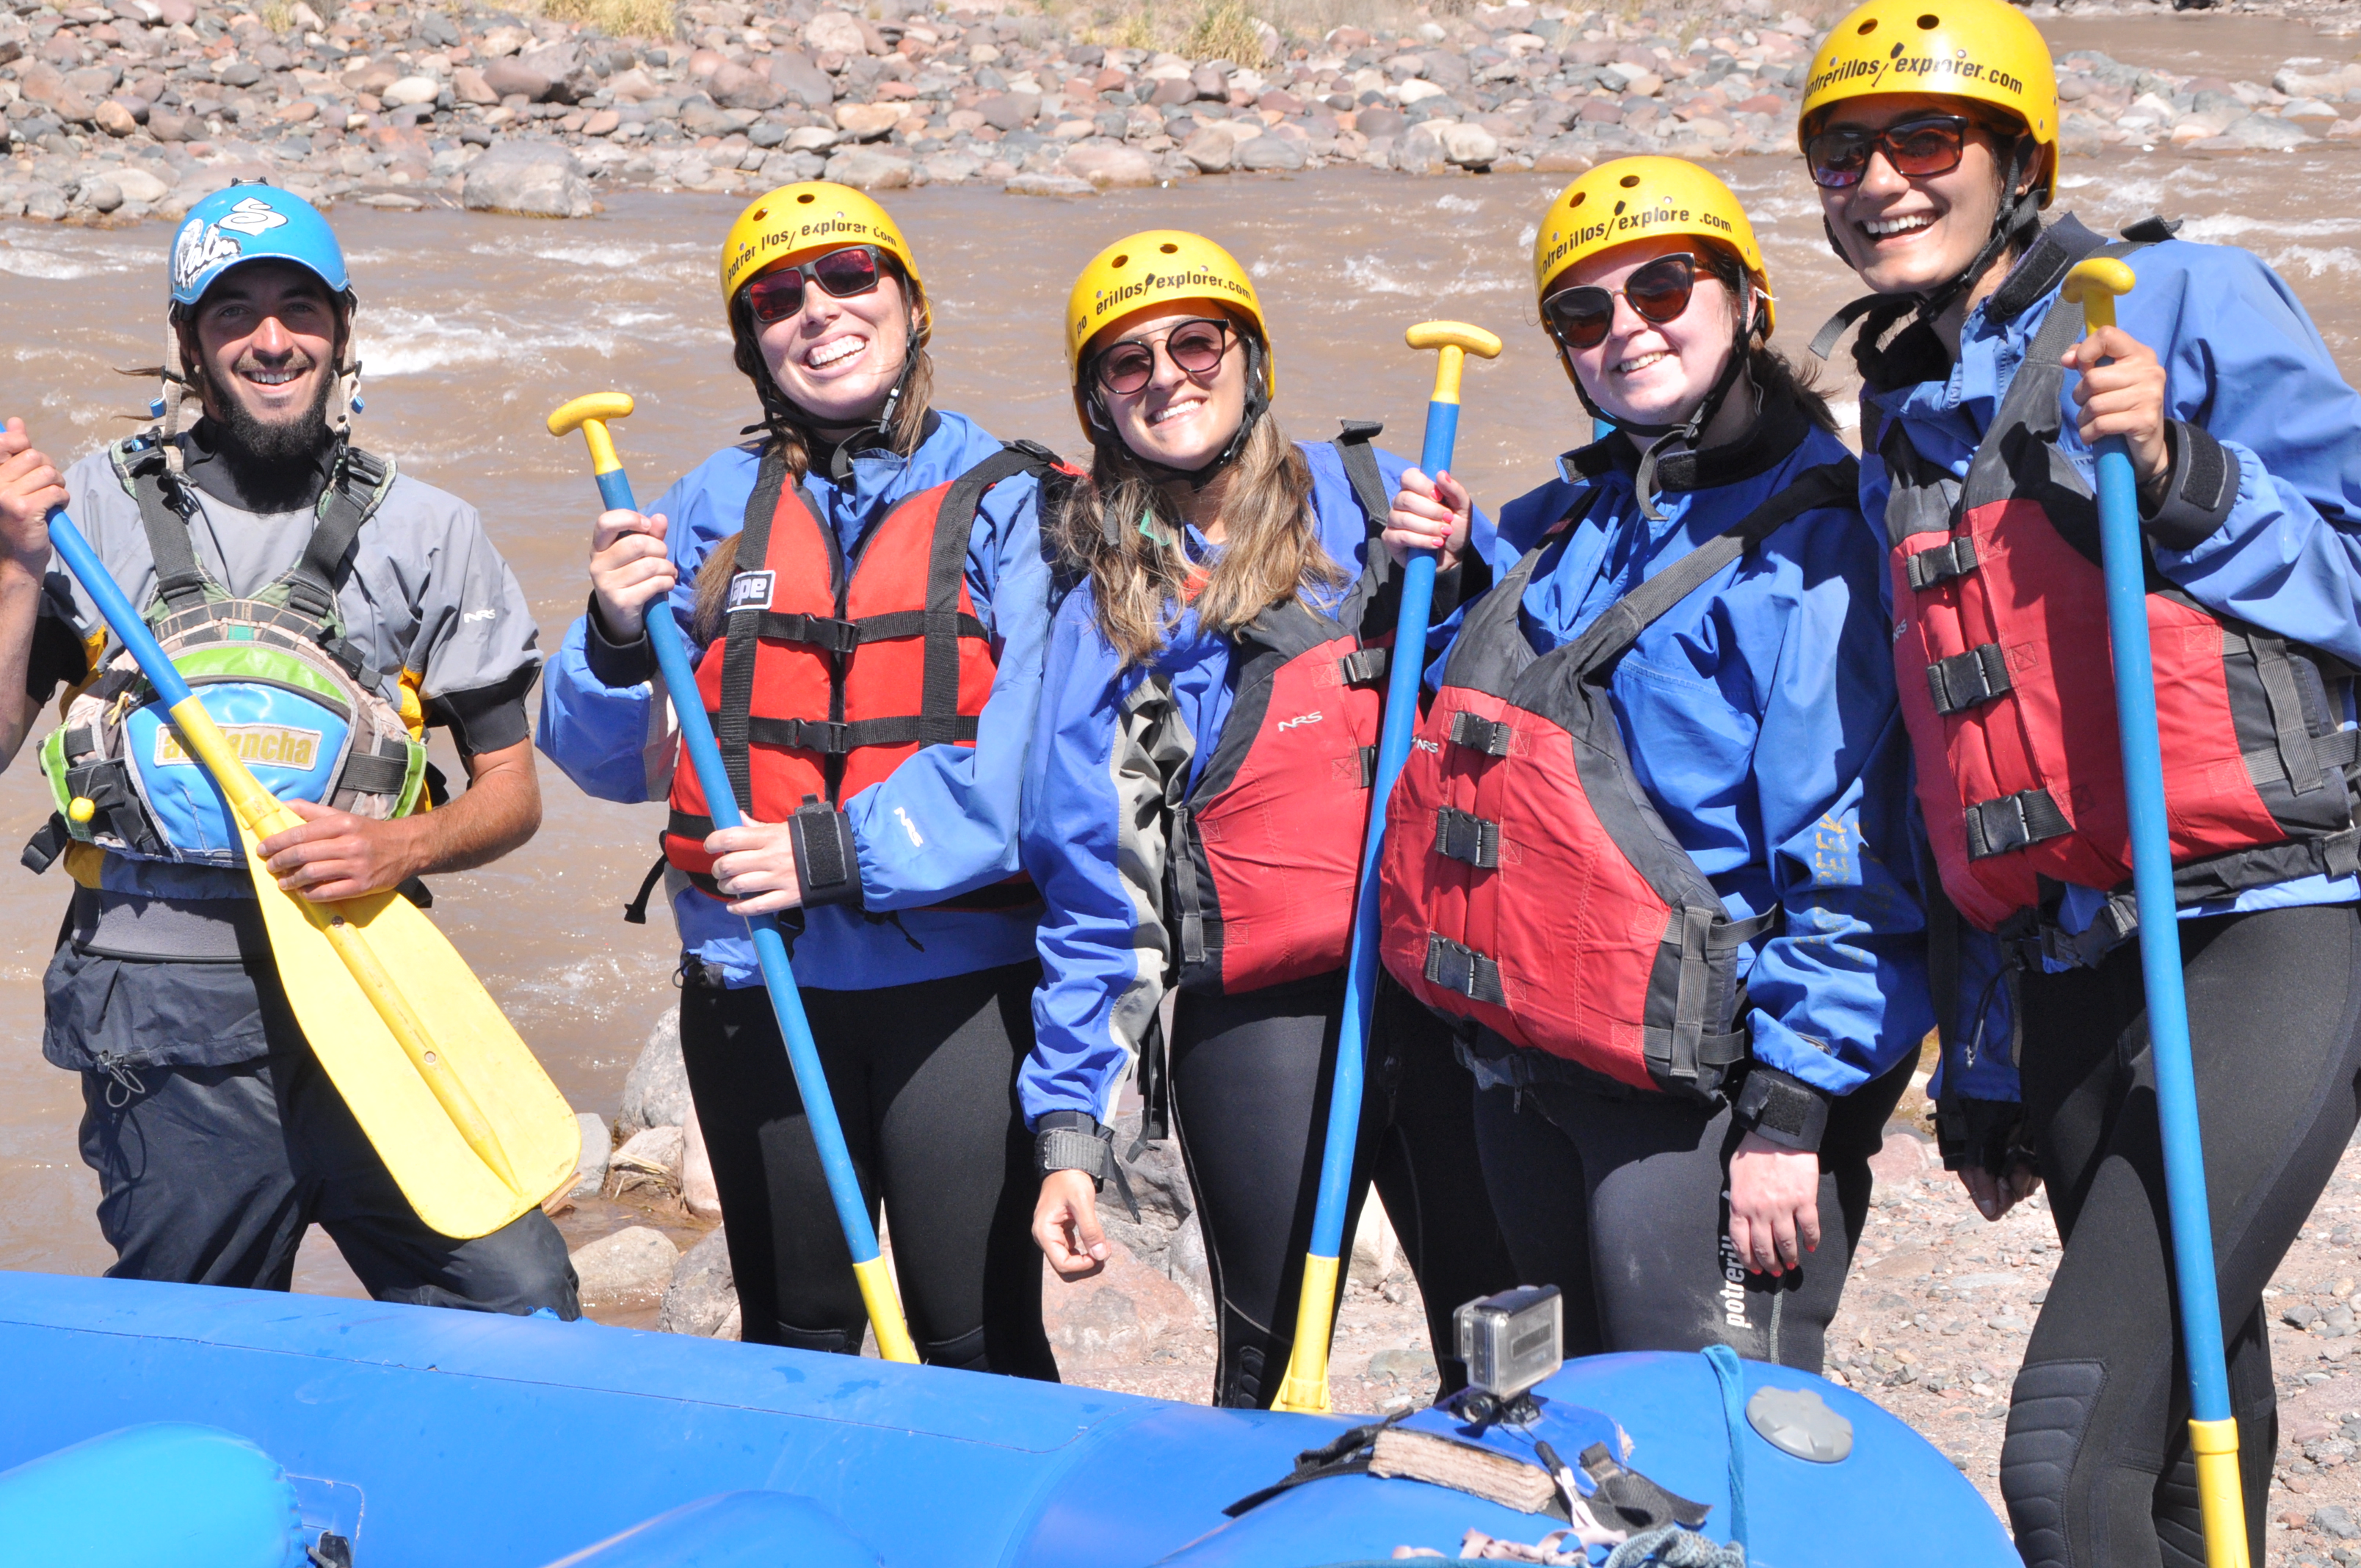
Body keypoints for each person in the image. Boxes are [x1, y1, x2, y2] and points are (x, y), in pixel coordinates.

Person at [1800, 0, 2361, 1558]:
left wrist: (2191, 480)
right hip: (2068, 970)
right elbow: (1962, 749)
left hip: (2265, 922)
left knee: (2067, 1457)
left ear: (2020, 162)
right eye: (1843, 153)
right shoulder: (1902, 412)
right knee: (2194, 1441)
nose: (1881, 182)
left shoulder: (2178, 297)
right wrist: (1980, 1056)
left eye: (1927, 140)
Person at [1377, 157, 1930, 1373]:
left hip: (1711, 1103)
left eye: (1664, 287)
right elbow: (1483, 739)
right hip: (1538, 1067)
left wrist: (1792, 1117)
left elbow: (1854, 847)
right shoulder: (1565, 519)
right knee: (1571, 1433)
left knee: (1712, 1454)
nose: (1626, 330)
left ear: (1747, 299)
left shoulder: (1819, 542)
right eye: (1584, 312)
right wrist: (1443, 582)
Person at [0, 184, 574, 1313]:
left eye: (299, 307)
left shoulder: (434, 530)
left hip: (372, 995)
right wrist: (18, 571)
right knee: (197, 1337)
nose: (272, 338)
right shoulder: (82, 518)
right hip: (159, 1014)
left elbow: (513, 795)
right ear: (188, 344)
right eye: (233, 311)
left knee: (521, 1301)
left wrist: (403, 846)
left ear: (342, 330)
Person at [537, 183, 1061, 1377]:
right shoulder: (704, 509)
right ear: (750, 344)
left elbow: (1030, 763)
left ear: (912, 304)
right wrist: (616, 636)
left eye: (849, 280)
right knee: (795, 1333)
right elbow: (602, 759)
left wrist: (829, 853)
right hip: (755, 988)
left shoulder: (1015, 502)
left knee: (976, 1334)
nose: (816, 312)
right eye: (777, 299)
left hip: (956, 995)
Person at [1022, 229, 1515, 1408]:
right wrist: (1071, 1134)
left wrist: (1459, 581)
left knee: (1503, 1350)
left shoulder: (1385, 499)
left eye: (1196, 343)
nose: (1167, 378)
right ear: (1098, 401)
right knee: (1264, 1360)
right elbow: (1094, 874)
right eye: (1127, 364)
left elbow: (1525, 711)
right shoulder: (1105, 600)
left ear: (1250, 359)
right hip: (1265, 1018)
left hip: (1448, 987)